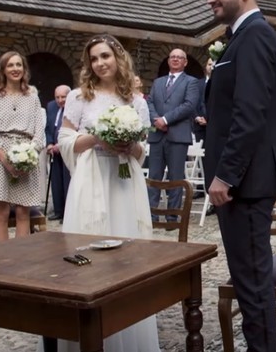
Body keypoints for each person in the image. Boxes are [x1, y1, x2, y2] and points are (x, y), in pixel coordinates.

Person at [55, 34, 160, 350]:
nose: (100, 63)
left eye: (105, 56)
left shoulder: (136, 101)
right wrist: (97, 140)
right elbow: (64, 140)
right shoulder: (78, 97)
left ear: (118, 58)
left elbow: (144, 151)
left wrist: (129, 145)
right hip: (92, 180)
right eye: (94, 59)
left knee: (128, 255)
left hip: (125, 182)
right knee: (89, 250)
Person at [204, 0, 276, 352]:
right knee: (247, 279)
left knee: (253, 284)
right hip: (244, 181)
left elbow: (250, 114)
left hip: (246, 183)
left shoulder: (254, 36)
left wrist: (226, 175)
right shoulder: (239, 37)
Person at [0, 51, 45, 242]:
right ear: (3, 70)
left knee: (22, 212)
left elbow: (39, 131)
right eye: (10, 65)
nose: (15, 69)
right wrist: (6, 160)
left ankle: (21, 258)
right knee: (1, 212)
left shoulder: (32, 98)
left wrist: (28, 156)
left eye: (19, 65)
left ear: (24, 70)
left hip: (26, 157)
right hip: (0, 157)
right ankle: (3, 258)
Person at [146, 48, 200, 222]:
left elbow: (189, 105)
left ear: (185, 62)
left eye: (180, 57)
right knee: (154, 176)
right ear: (168, 61)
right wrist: (156, 120)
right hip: (156, 136)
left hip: (177, 135)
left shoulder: (191, 82)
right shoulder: (158, 82)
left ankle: (172, 217)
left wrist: (166, 119)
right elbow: (150, 102)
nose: (176, 59)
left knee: (175, 178)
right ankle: (152, 215)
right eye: (173, 57)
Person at [45, 85, 71, 220]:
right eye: (57, 97)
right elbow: (48, 127)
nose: (60, 100)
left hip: (68, 148)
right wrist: (49, 143)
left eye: (63, 97)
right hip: (54, 149)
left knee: (68, 181)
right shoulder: (51, 107)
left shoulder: (73, 107)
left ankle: (68, 213)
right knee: (56, 181)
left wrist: (61, 145)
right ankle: (58, 210)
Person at [193, 58, 213, 143]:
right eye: (209, 64)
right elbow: (192, 102)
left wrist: (209, 120)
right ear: (205, 66)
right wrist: (196, 117)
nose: (211, 67)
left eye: (213, 65)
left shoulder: (221, 84)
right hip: (198, 127)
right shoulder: (196, 84)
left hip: (213, 127)